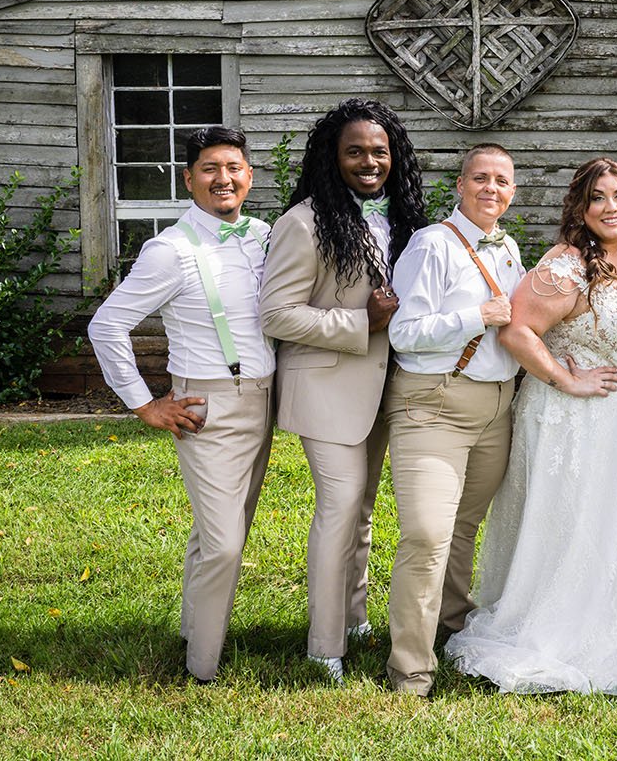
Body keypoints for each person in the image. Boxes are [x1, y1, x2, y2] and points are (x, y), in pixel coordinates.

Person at [445, 157, 617, 698]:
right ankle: (557, 625)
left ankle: (608, 609)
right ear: (580, 208)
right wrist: (568, 379)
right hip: (575, 416)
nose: (612, 208)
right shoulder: (565, 265)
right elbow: (517, 333)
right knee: (574, 515)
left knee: (613, 515)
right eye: (598, 199)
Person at [88, 126, 274, 683]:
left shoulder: (263, 235)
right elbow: (107, 325)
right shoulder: (169, 251)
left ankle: (196, 631)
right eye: (211, 169)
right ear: (189, 179)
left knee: (219, 529)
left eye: (234, 167)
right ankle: (203, 669)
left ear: (248, 175)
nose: (224, 178)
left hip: (262, 402)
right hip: (207, 405)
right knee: (223, 543)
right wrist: (145, 405)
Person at [258, 99, 427, 682]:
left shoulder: (403, 218)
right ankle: (324, 644)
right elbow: (276, 315)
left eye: (379, 151)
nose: (369, 161)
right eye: (354, 151)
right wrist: (363, 324)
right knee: (338, 508)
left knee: (362, 512)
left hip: (388, 390)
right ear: (333, 157)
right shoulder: (303, 222)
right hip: (327, 390)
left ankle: (353, 617)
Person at [382, 143, 526, 698]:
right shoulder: (432, 244)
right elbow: (402, 333)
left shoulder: (509, 247)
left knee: (464, 528)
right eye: (482, 178)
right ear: (461, 184)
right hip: (434, 404)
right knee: (426, 535)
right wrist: (477, 316)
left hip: (496, 408)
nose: (493, 189)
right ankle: (410, 669)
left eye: (504, 181)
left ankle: (453, 629)